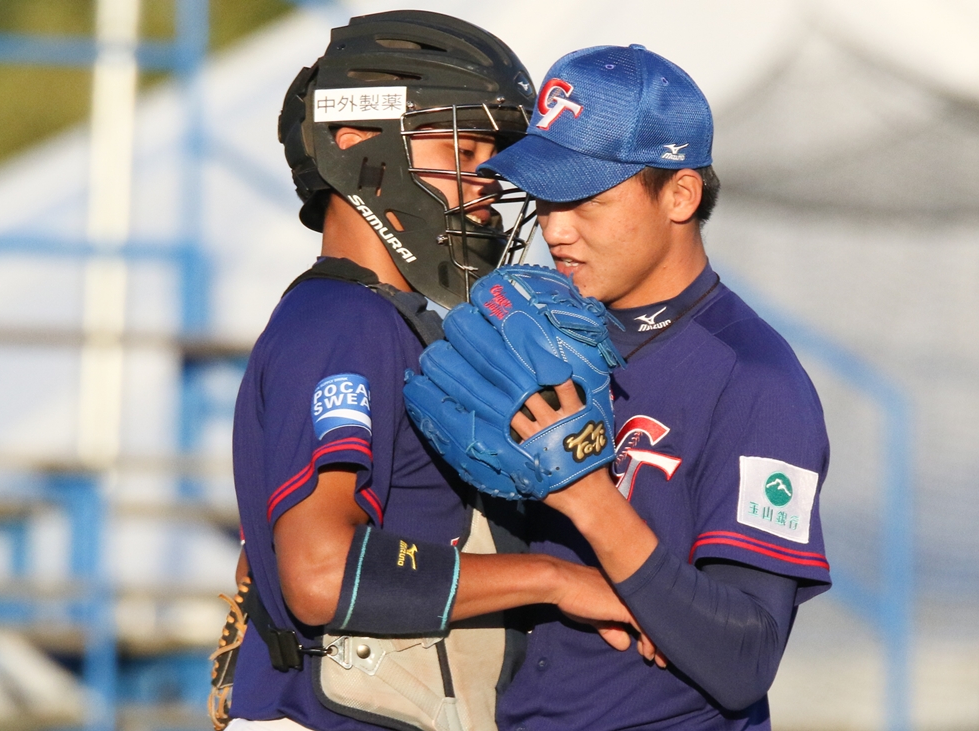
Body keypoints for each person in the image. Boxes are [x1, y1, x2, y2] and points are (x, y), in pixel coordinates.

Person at [223, 13, 638, 731]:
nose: (487, 182)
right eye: (466, 149)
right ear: (356, 144)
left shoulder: (386, 318)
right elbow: (321, 573)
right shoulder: (341, 322)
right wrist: (556, 580)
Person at [474, 44, 832, 729]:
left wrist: (585, 495)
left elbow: (743, 658)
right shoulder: (538, 344)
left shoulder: (755, 380)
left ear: (680, 194)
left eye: (586, 199)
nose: (556, 228)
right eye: (546, 199)